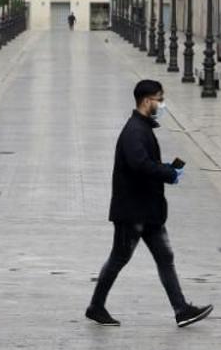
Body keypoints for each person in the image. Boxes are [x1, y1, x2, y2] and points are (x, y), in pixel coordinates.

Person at [86, 80, 213, 328]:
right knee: (119, 258)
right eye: (159, 99)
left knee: (165, 258)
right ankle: (96, 306)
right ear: (146, 101)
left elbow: (144, 164)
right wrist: (167, 173)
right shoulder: (134, 131)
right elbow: (139, 165)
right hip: (133, 212)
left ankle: (181, 310)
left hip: (148, 211)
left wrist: (167, 170)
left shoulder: (142, 128)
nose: (162, 104)